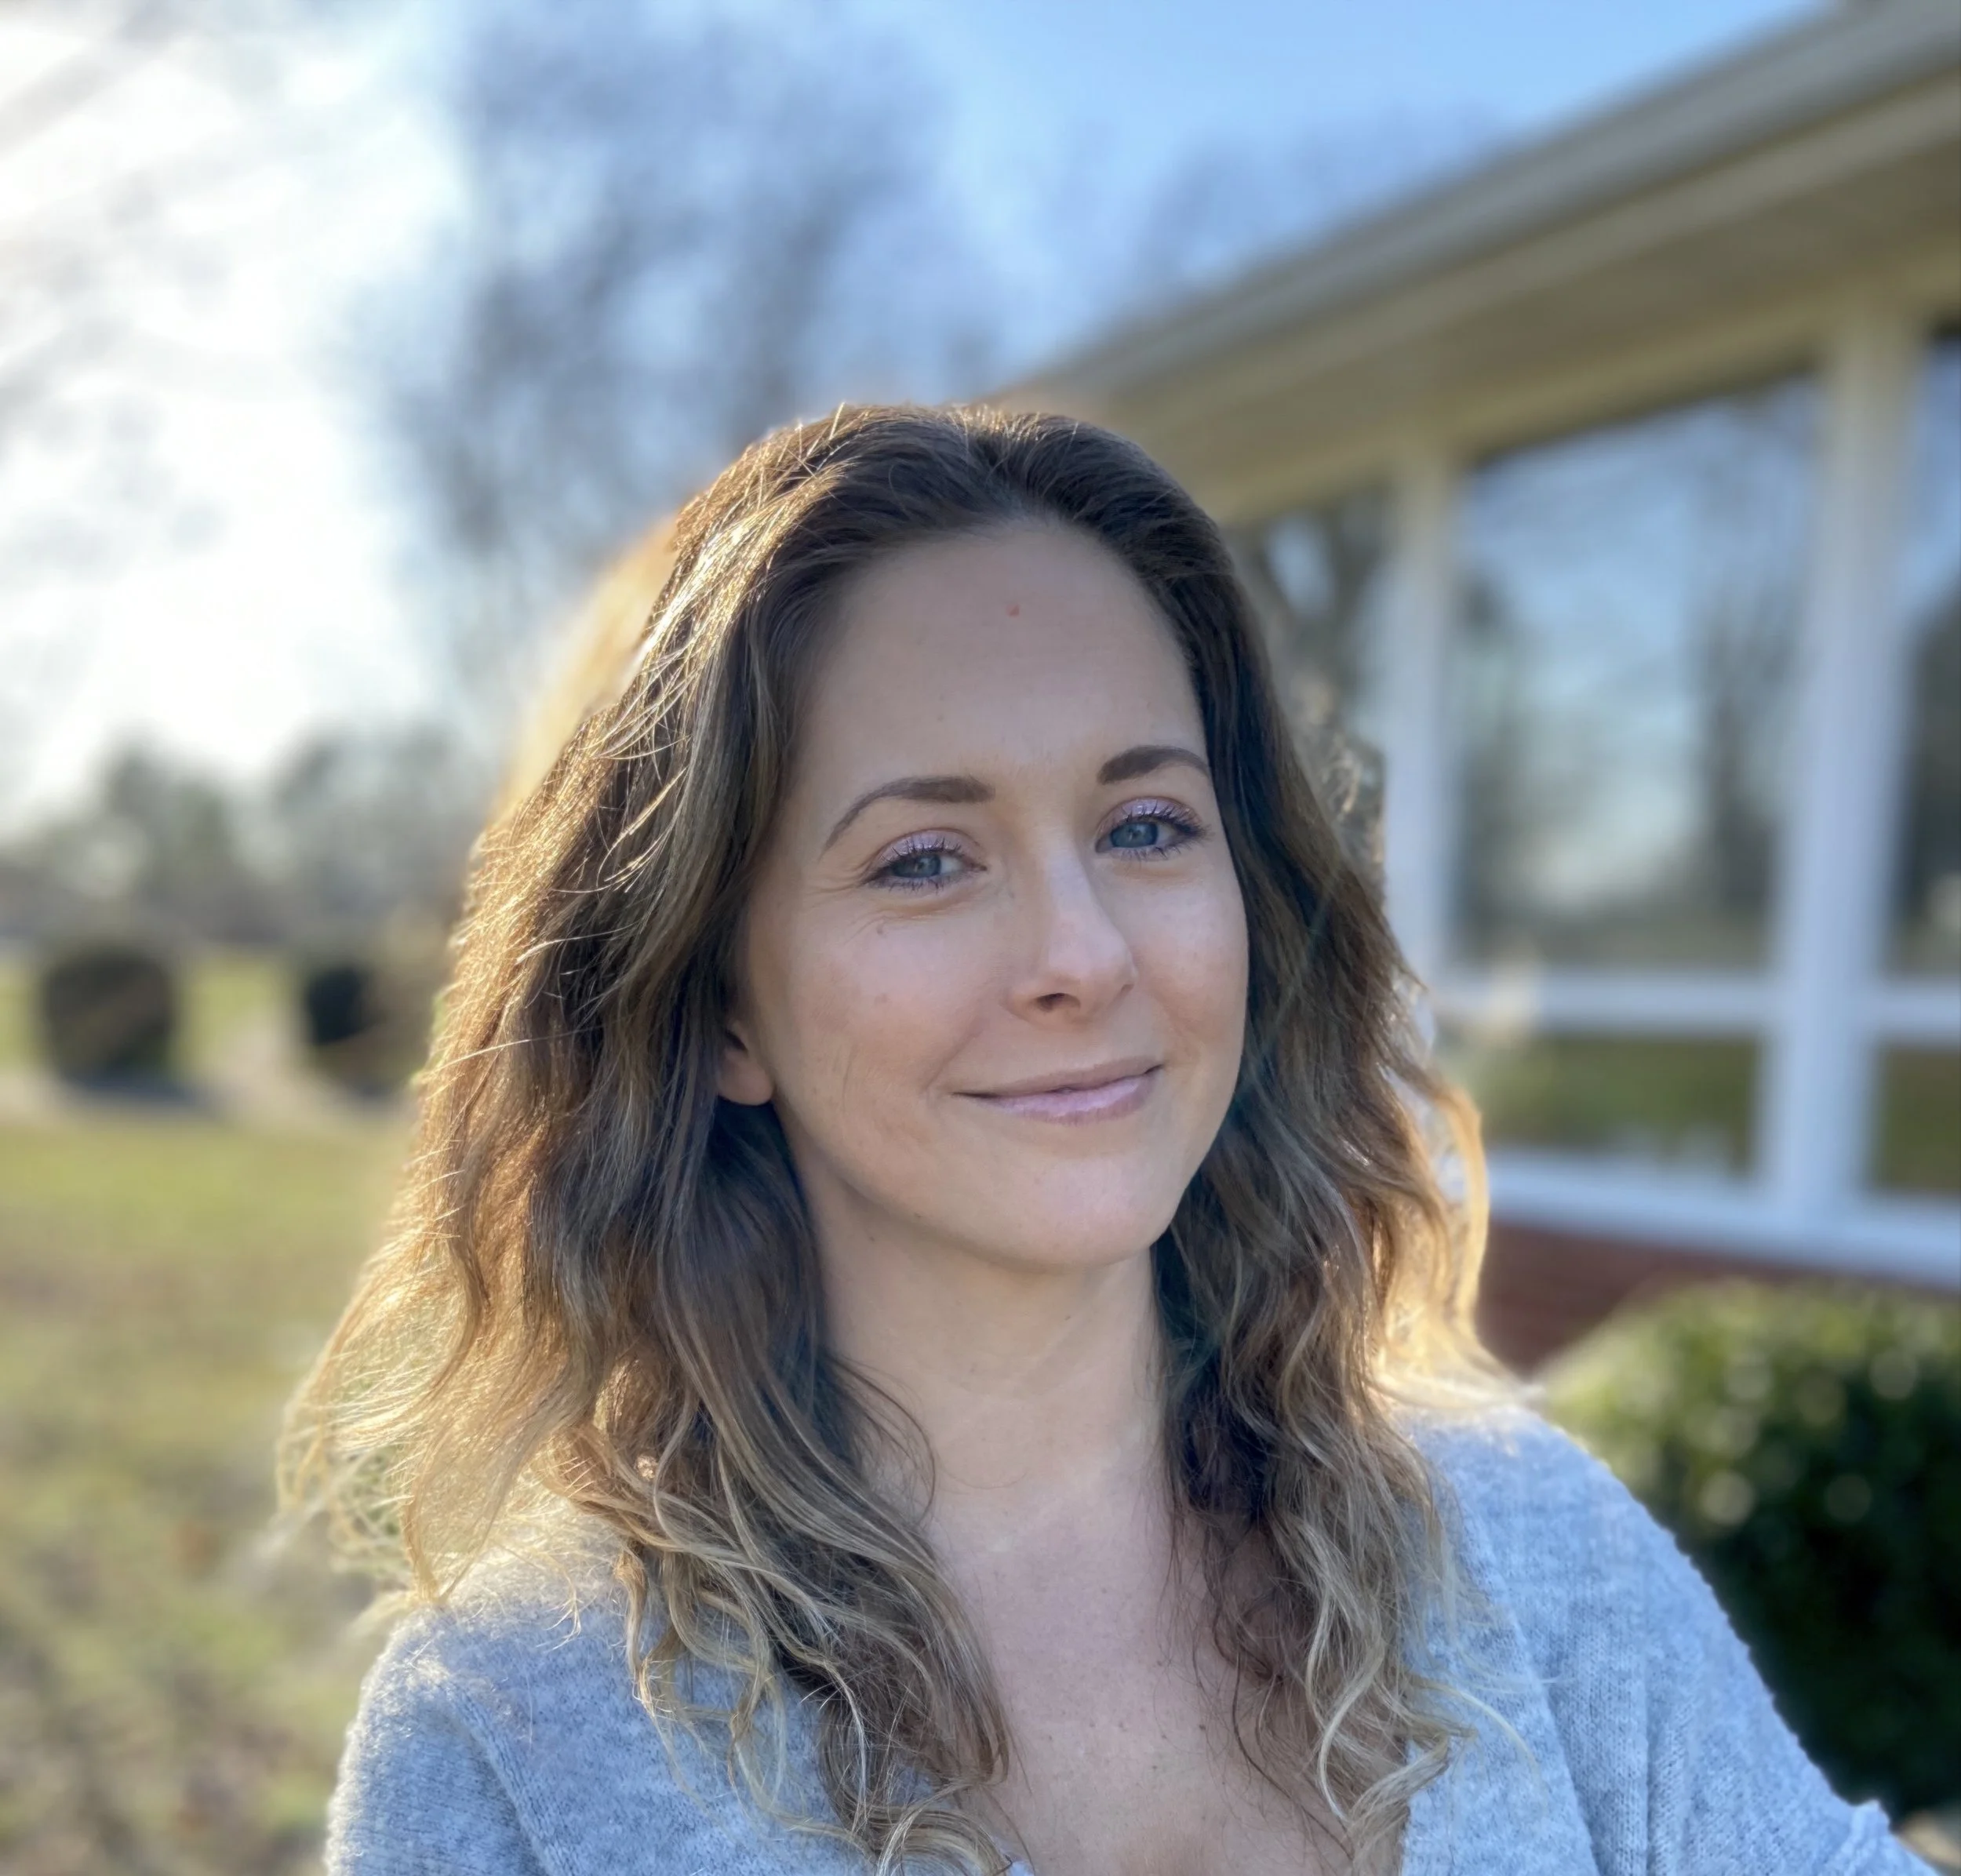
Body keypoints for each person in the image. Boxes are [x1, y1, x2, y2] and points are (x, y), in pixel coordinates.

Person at [285, 405, 1926, 1876]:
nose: (1083, 950)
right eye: (925, 859)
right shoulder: (511, 1740)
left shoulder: (1526, 1558)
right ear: (719, 1007)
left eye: (1145, 825)